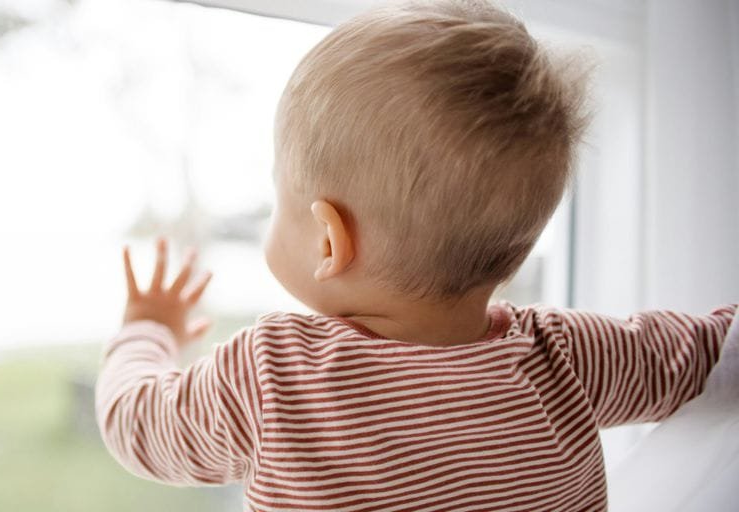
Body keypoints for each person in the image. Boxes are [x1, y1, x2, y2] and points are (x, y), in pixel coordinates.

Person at [94, 1, 737, 510]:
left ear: (328, 241)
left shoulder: (271, 377)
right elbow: (712, 349)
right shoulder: (566, 355)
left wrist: (145, 329)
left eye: (278, 194)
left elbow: (137, 425)